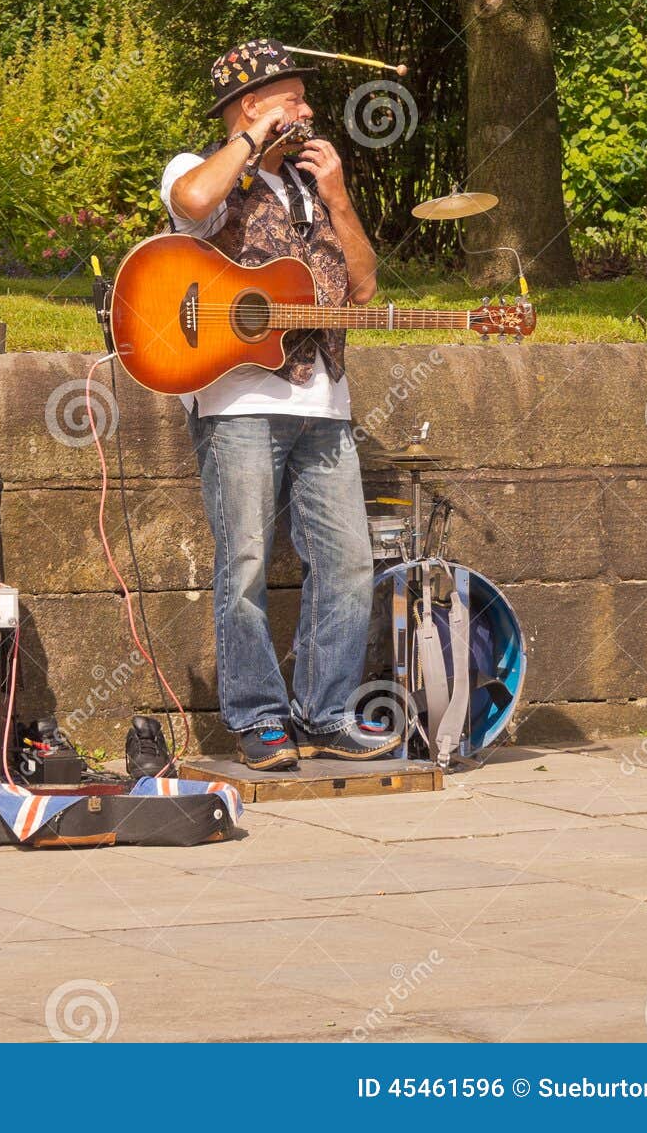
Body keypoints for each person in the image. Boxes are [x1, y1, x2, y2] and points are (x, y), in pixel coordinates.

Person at [160, 38, 400, 771]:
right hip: (237, 402)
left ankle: (326, 712)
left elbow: (361, 289)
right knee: (243, 563)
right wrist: (248, 141)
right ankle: (259, 718)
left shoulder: (309, 184)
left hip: (325, 402)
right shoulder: (197, 171)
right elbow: (195, 203)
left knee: (350, 562)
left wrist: (339, 197)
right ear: (249, 106)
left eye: (303, 101)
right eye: (292, 99)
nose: (309, 112)